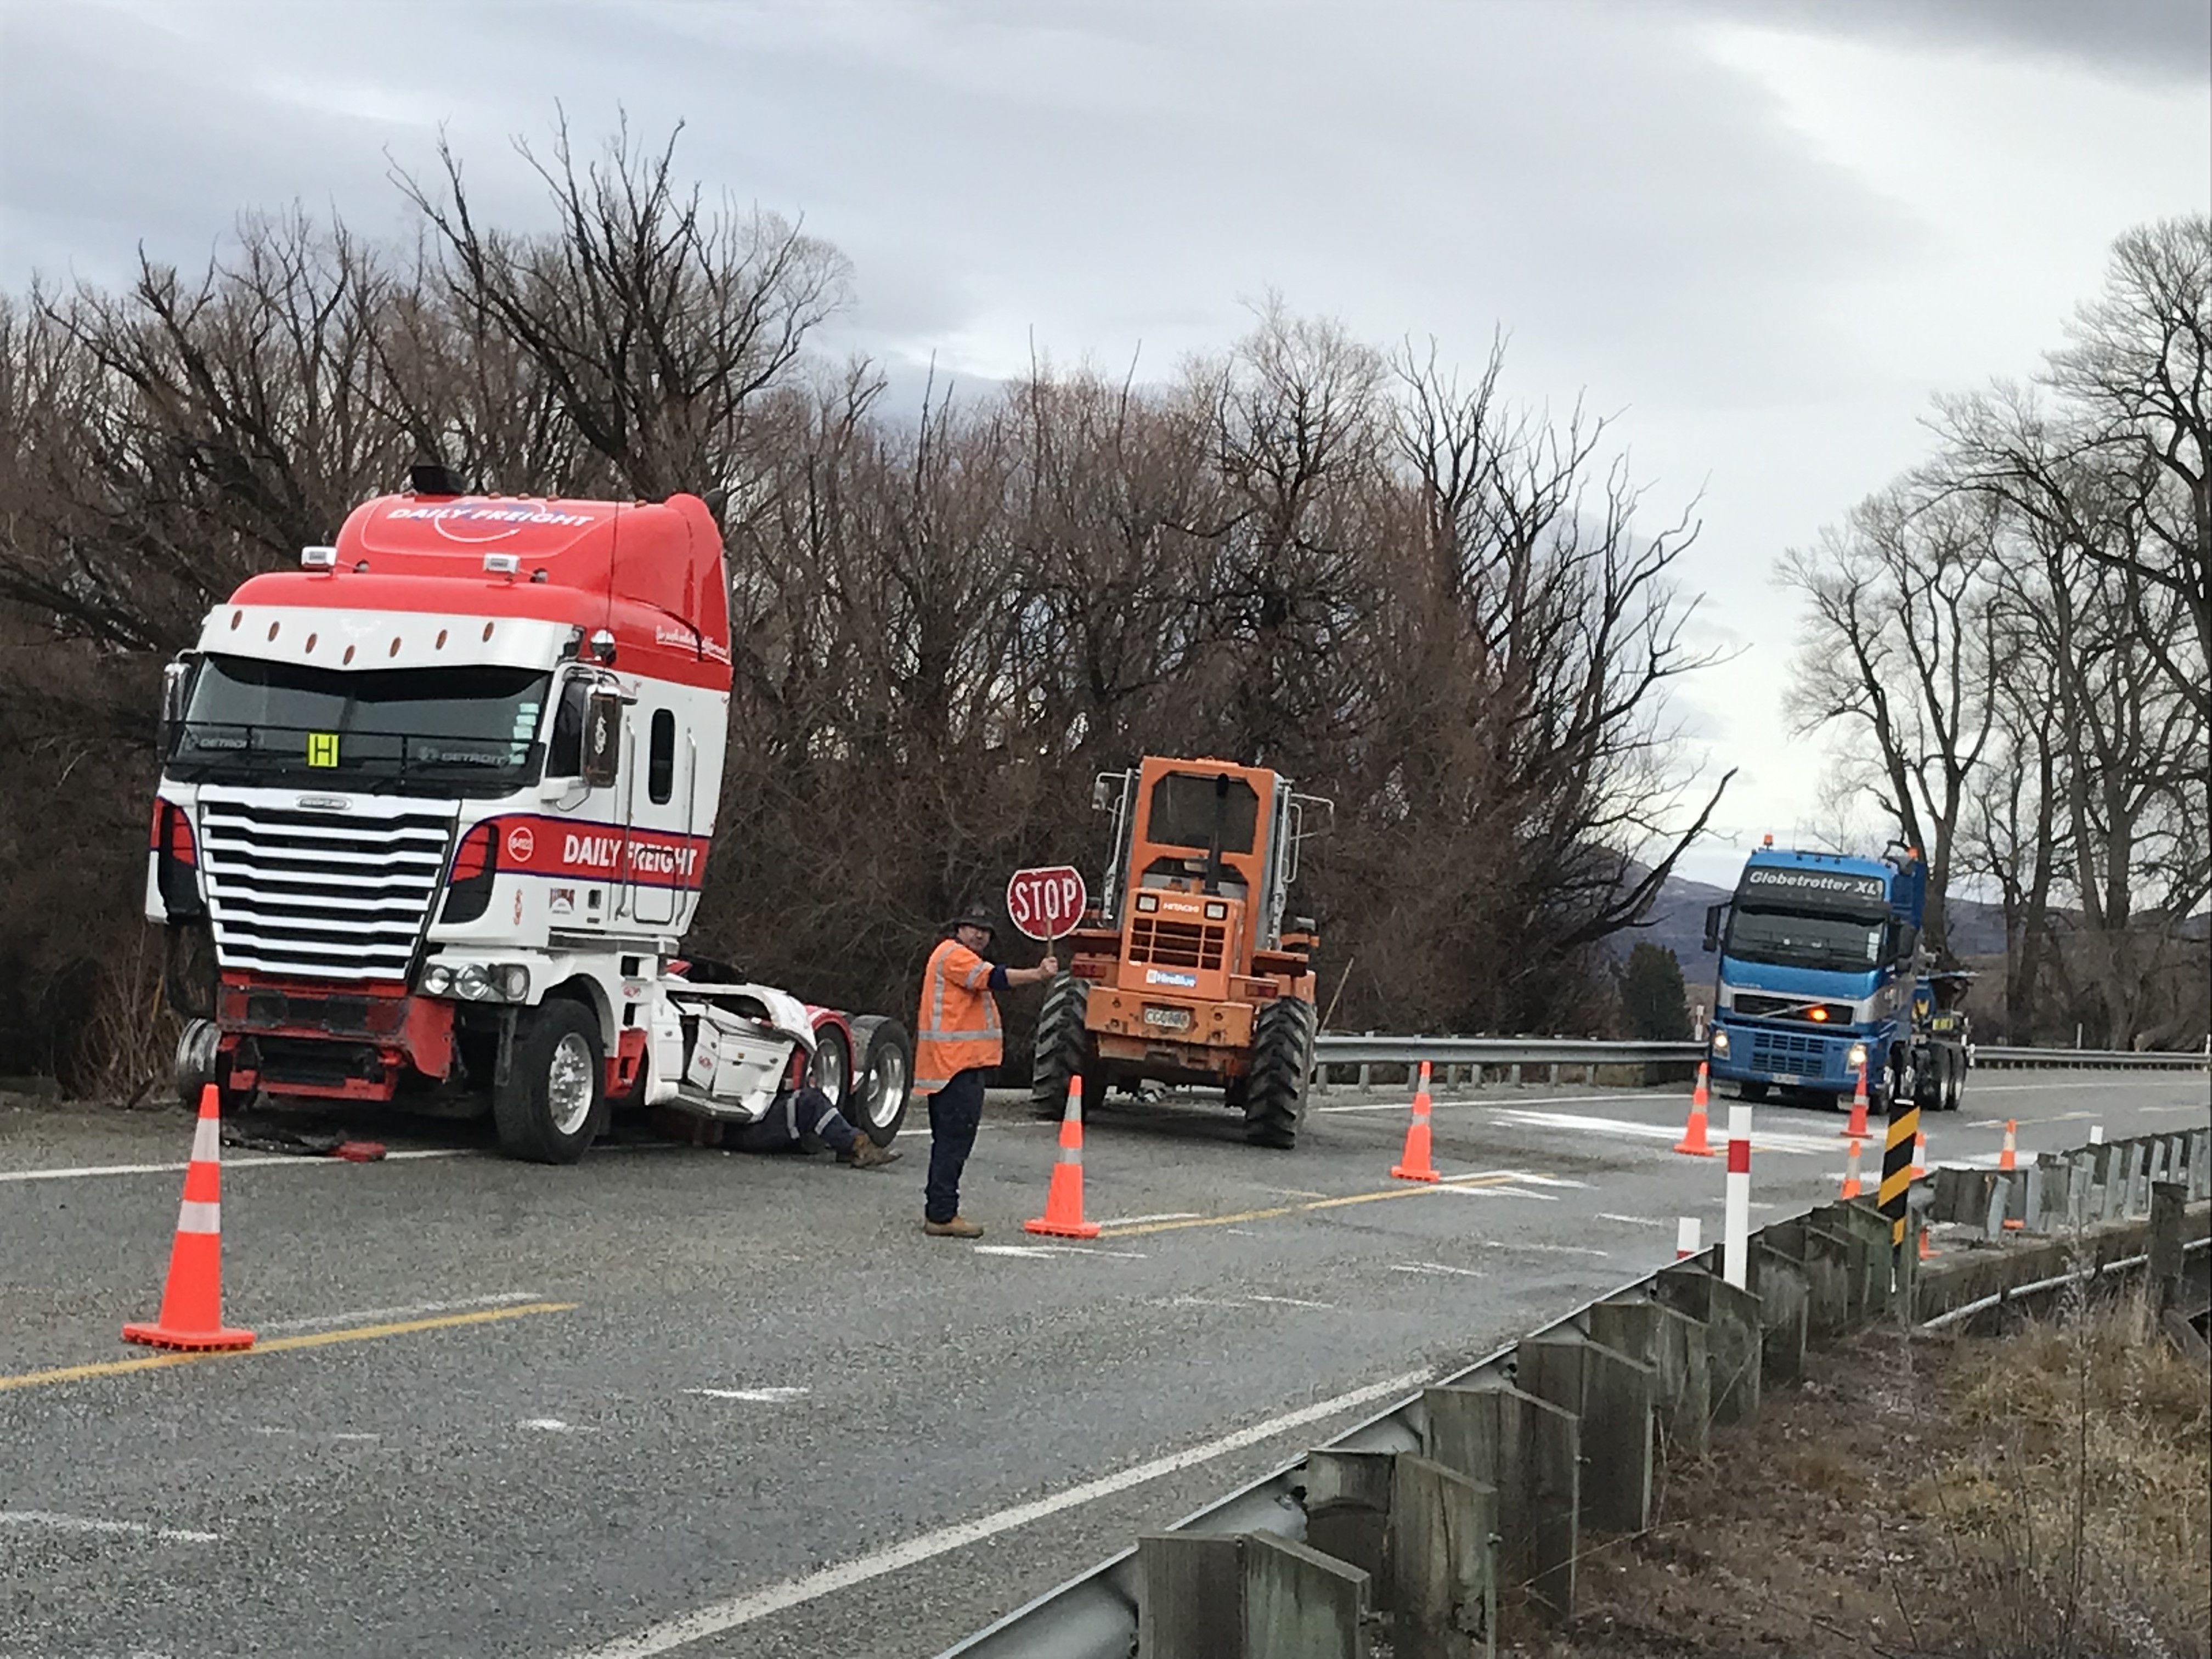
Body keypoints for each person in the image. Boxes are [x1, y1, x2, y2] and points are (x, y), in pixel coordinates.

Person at [913, 910, 1057, 1238]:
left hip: (954, 1065)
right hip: (956, 1067)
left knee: (949, 1141)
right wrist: (1037, 974)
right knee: (954, 1141)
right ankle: (941, 1213)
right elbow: (994, 978)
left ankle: (941, 1208)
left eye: (985, 931)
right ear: (958, 929)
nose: (979, 935)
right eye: (973, 928)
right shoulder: (955, 956)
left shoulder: (952, 955)